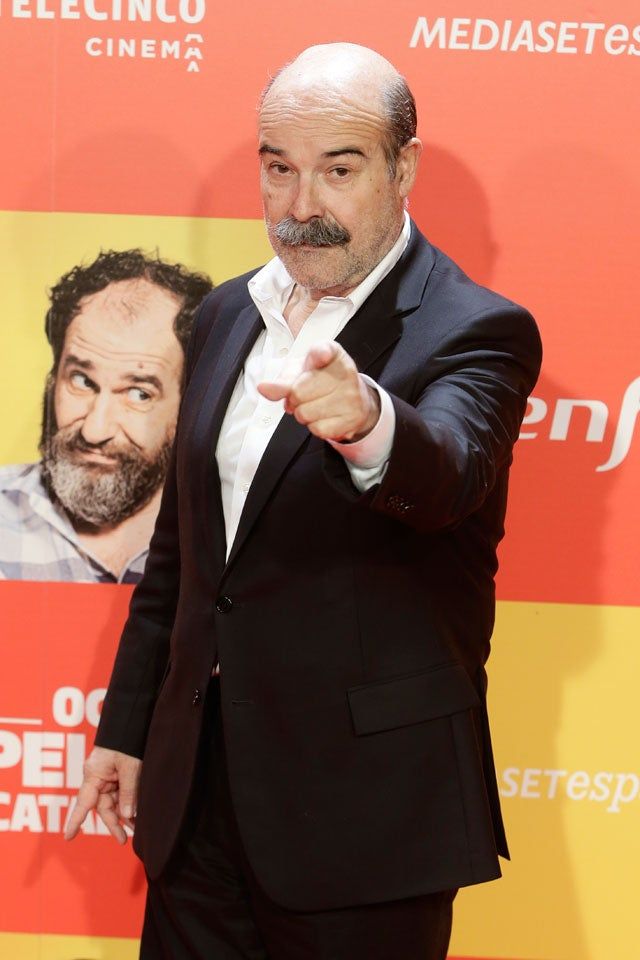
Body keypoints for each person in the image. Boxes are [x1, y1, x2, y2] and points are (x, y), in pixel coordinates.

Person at [66, 43, 542, 960]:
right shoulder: (223, 316)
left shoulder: (476, 326)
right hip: (198, 804)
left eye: (339, 169)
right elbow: (183, 559)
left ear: (403, 167)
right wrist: (125, 731)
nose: (301, 206)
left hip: (362, 821)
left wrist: (367, 419)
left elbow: (449, 472)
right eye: (278, 168)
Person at [0, 249, 212, 582]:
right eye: (82, 381)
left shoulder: (227, 540)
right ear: (53, 378)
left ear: (189, 405)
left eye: (139, 393)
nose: (95, 430)